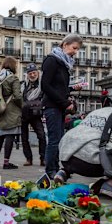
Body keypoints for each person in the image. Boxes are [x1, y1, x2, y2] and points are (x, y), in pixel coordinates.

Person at [41, 34, 84, 178]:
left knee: (59, 139)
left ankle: (55, 168)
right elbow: (45, 85)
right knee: (54, 139)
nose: (75, 52)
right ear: (65, 44)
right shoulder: (52, 60)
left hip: (58, 107)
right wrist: (65, 103)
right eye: (74, 48)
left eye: (77, 49)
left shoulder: (64, 64)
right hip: (52, 106)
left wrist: (72, 89)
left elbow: (59, 87)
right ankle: (50, 171)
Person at [0, 56, 22, 169]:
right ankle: (6, 162)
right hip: (11, 109)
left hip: (0, 108)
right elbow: (18, 96)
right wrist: (21, 106)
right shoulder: (13, 78)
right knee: (10, 135)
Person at [20, 63, 46, 167]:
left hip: (36, 114)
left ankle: (43, 158)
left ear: (38, 73)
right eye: (30, 73)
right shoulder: (23, 85)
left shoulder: (42, 85)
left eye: (34, 72)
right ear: (27, 75)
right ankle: (28, 159)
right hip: (24, 114)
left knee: (42, 136)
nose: (32, 75)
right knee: (24, 138)